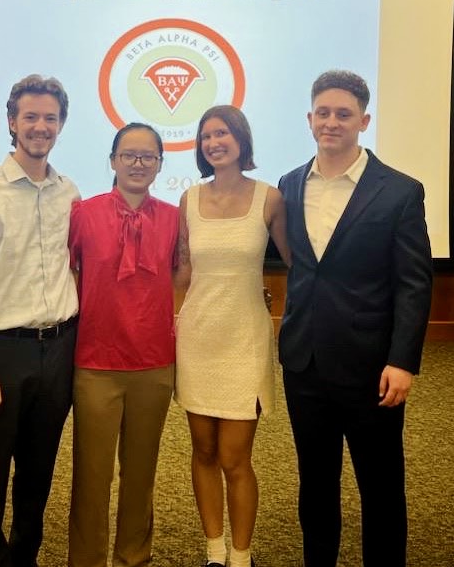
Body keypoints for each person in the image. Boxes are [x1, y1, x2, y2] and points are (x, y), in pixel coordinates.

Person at [278, 69, 433, 567]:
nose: (331, 122)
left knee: (381, 486)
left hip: (372, 369)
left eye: (343, 114)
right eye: (323, 113)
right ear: (309, 118)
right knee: (315, 482)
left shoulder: (400, 191)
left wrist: (403, 361)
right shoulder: (289, 184)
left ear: (364, 121)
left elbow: (414, 284)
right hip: (304, 363)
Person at [0, 74, 79, 567]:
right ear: (11, 122)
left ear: (61, 124)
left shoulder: (70, 192)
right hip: (1, 352)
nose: (40, 126)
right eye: (31, 117)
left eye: (50, 118)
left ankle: (25, 557)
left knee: (38, 470)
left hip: (60, 348)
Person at [174, 105, 290, 567]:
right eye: (206, 136)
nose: (213, 142)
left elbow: (298, 264)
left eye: (222, 133)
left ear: (241, 139)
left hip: (245, 340)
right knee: (202, 452)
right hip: (197, 337)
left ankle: (242, 556)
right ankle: (215, 554)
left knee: (234, 458)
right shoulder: (188, 200)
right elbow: (184, 273)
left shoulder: (270, 198)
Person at [67, 122, 179, 567]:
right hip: (96, 361)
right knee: (91, 476)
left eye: (148, 156)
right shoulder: (83, 213)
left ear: (160, 165)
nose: (138, 163)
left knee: (141, 472)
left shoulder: (174, 218)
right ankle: (87, 560)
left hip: (154, 363)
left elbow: (182, 278)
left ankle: (134, 557)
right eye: (129, 155)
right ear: (112, 160)